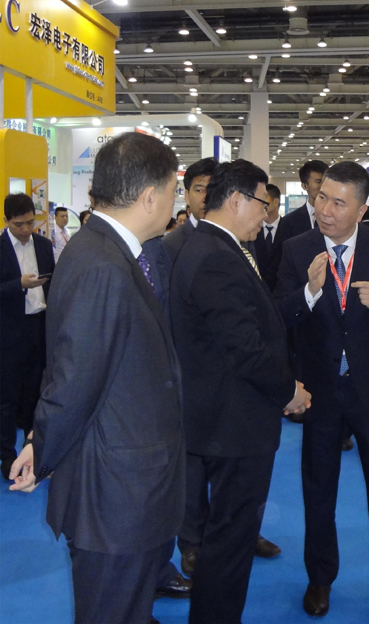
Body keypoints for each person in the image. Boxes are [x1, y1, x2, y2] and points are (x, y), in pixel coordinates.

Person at [8, 132, 185, 624]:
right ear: (148, 196)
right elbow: (75, 377)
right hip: (116, 490)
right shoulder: (104, 265)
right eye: (172, 191)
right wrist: (43, 447)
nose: (174, 202)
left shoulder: (106, 251)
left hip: (125, 478)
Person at [170, 159, 310, 624]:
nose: (266, 213)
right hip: (233, 423)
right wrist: (289, 390)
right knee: (230, 540)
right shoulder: (215, 255)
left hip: (227, 418)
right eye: (262, 203)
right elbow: (244, 348)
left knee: (228, 536)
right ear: (236, 200)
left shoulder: (216, 247)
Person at [276, 162, 369, 623]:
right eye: (321, 198)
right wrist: (310, 292)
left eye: (338, 203)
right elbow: (279, 315)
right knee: (318, 489)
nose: (325, 210)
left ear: (360, 209)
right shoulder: (297, 248)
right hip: (319, 392)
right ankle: (319, 578)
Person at [0, 194, 54, 480]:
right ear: (6, 221)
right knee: (7, 399)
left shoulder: (44, 246)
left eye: (30, 222)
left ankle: (34, 453)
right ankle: (8, 457)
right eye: (18, 224)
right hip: (9, 334)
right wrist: (17, 285)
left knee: (37, 395)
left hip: (39, 328)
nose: (25, 229)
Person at [163, 157, 217, 265]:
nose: (206, 198)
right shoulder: (170, 245)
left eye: (212, 190)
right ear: (187, 196)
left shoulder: (238, 239)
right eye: (199, 190)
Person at [281, 160, 327, 239]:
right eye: (318, 182)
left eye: (325, 181)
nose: (323, 186)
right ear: (305, 186)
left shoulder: (338, 217)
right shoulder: (289, 221)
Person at [253, 183, 285, 292]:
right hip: (257, 290)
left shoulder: (289, 228)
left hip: (282, 290)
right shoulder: (252, 229)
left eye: (264, 200)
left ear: (276, 202)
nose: (260, 204)